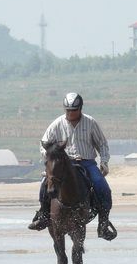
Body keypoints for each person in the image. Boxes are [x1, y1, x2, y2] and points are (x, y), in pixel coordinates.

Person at [28, 92, 116, 240]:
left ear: (80, 108)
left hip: (87, 162)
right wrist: (51, 155)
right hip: (64, 164)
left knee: (104, 188)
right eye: (67, 110)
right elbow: (44, 143)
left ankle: (103, 224)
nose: (70, 113)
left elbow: (102, 143)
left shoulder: (91, 123)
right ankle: (43, 215)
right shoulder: (57, 124)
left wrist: (104, 162)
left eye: (73, 110)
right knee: (45, 184)